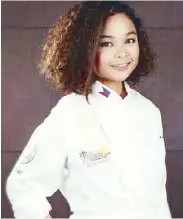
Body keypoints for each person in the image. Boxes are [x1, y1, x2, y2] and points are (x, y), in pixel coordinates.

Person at [6, 1, 172, 219]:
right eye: (107, 44)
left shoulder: (149, 111)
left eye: (129, 40)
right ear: (85, 48)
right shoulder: (70, 112)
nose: (122, 53)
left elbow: (156, 200)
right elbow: (23, 185)